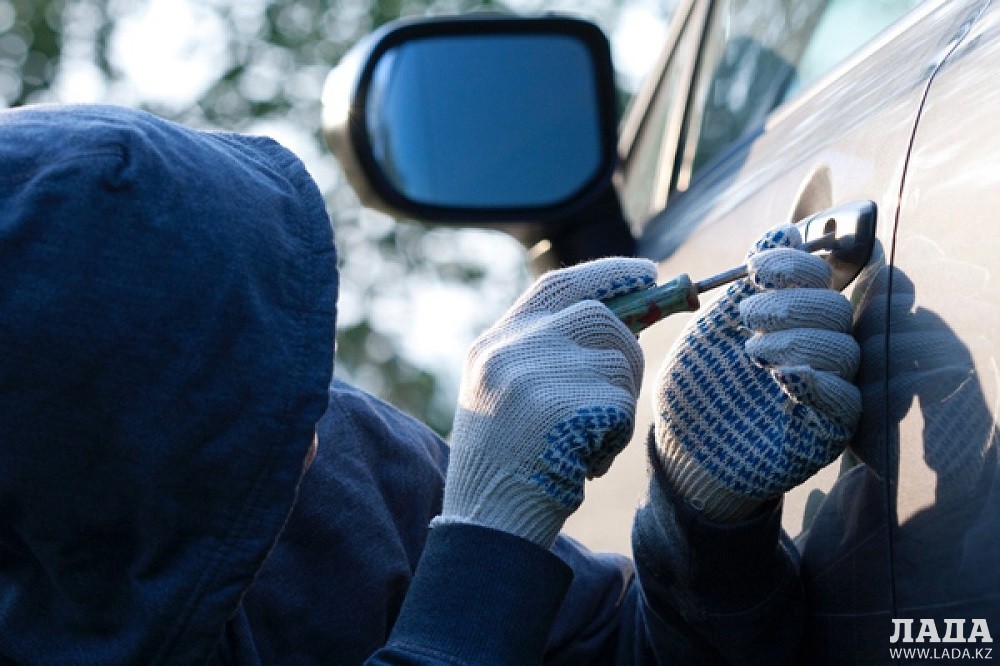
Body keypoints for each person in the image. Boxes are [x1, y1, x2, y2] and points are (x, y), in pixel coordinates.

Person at [0, 103, 862, 664]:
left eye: (264, 350)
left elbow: (620, 653)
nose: (302, 428)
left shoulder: (330, 470)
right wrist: (482, 550)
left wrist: (704, 528)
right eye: (212, 404)